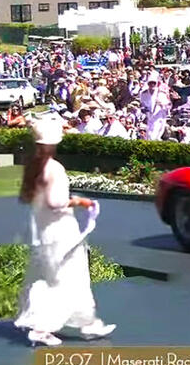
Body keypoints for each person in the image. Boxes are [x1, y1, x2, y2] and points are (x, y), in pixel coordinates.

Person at [14, 117, 115, 347]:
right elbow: (56, 202)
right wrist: (80, 201)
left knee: (50, 276)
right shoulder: (54, 168)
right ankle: (45, 327)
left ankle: (87, 323)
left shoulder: (32, 165)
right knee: (67, 276)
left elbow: (28, 198)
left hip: (42, 228)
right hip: (59, 229)